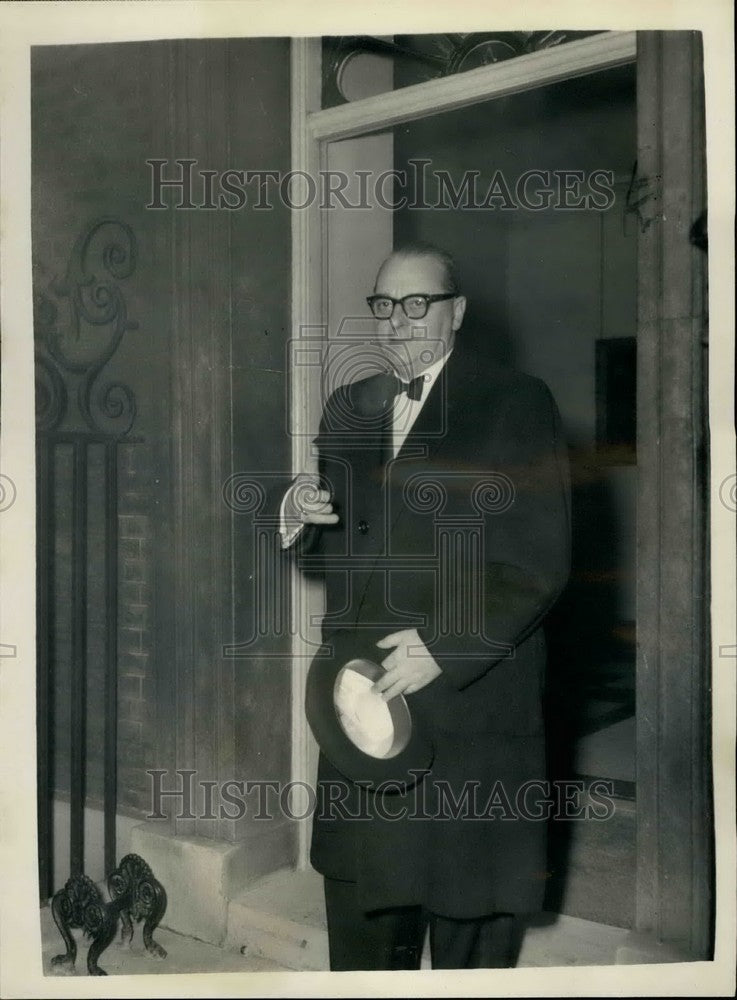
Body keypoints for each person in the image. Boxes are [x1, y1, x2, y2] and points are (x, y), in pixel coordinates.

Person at [280, 242, 571, 970]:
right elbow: (336, 551)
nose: (397, 322)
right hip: (365, 708)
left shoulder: (515, 400)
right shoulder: (350, 408)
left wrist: (443, 646)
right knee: (364, 915)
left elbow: (537, 564)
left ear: (457, 312)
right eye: (384, 305)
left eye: (417, 305)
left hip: (468, 703)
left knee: (468, 916)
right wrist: (297, 516)